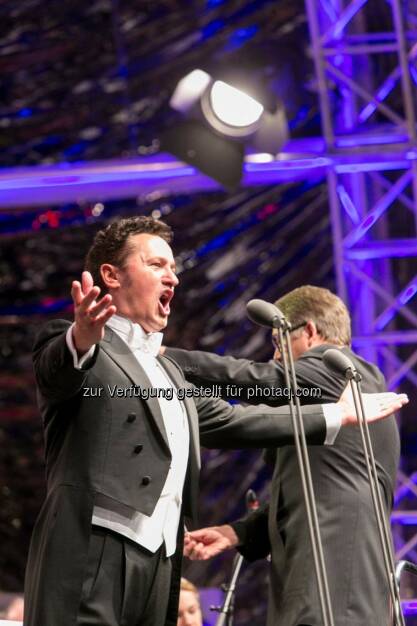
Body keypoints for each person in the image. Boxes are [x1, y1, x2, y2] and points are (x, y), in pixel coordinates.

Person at [24, 222, 406, 626]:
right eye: (156, 264)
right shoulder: (79, 343)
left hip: (159, 559)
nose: (172, 276)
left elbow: (235, 418)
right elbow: (58, 373)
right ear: (111, 275)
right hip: (92, 549)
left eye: (173, 268)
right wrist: (82, 337)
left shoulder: (169, 373)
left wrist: (335, 415)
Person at [165, 286, 403, 626]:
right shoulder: (325, 398)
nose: (275, 356)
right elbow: (303, 496)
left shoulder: (338, 369)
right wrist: (237, 533)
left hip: (335, 577)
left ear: (308, 331)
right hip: (316, 575)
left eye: (278, 343)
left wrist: (164, 359)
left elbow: (253, 379)